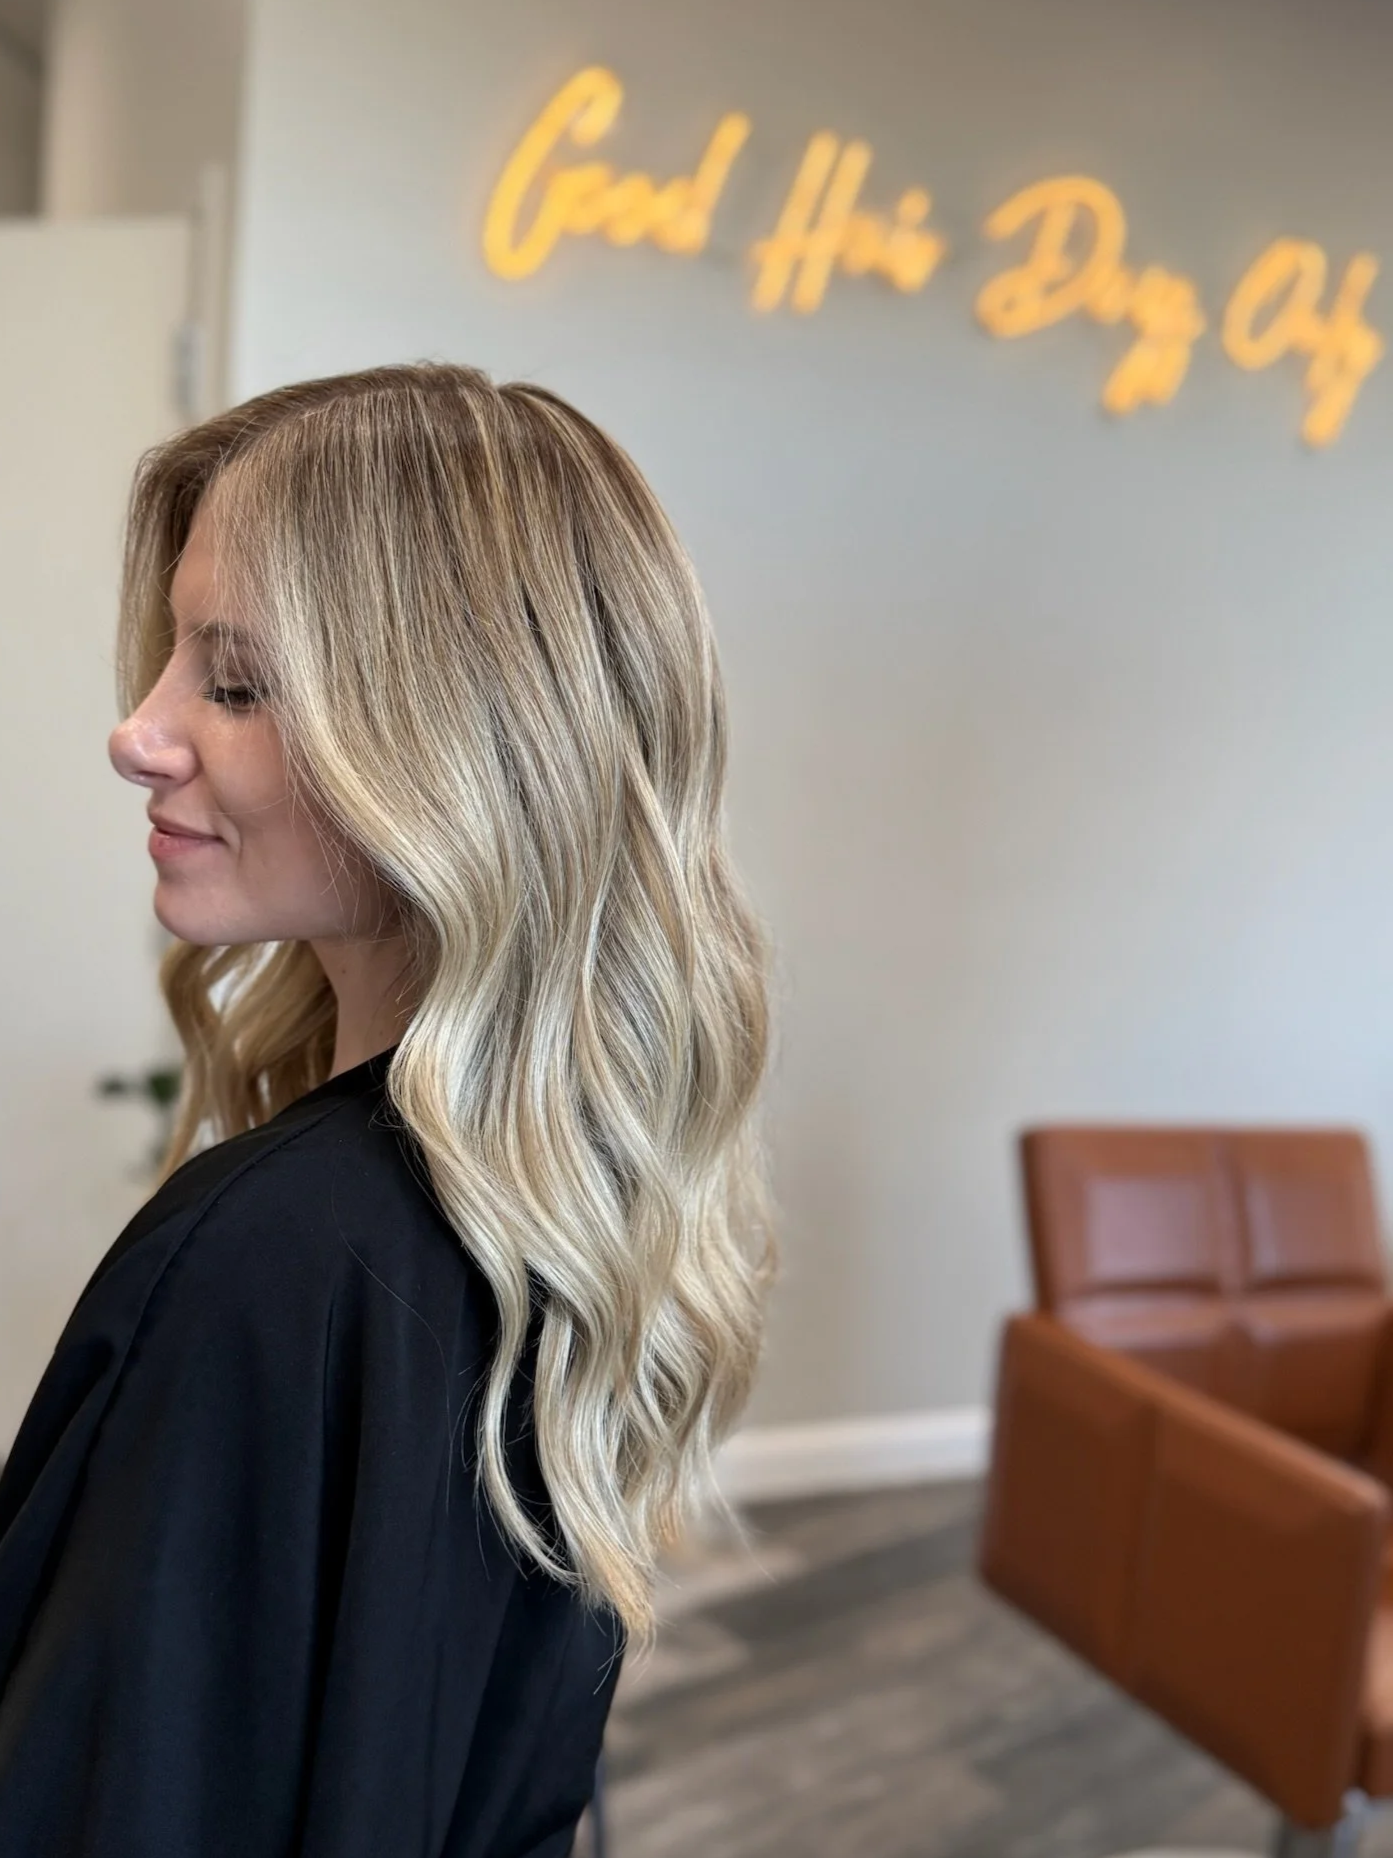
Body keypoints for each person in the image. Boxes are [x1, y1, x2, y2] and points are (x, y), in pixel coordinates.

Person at [0, 362, 775, 1856]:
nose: (138, 731)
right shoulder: (559, 1206)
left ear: (456, 747)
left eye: (232, 683)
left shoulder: (270, 1259)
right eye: (171, 661)